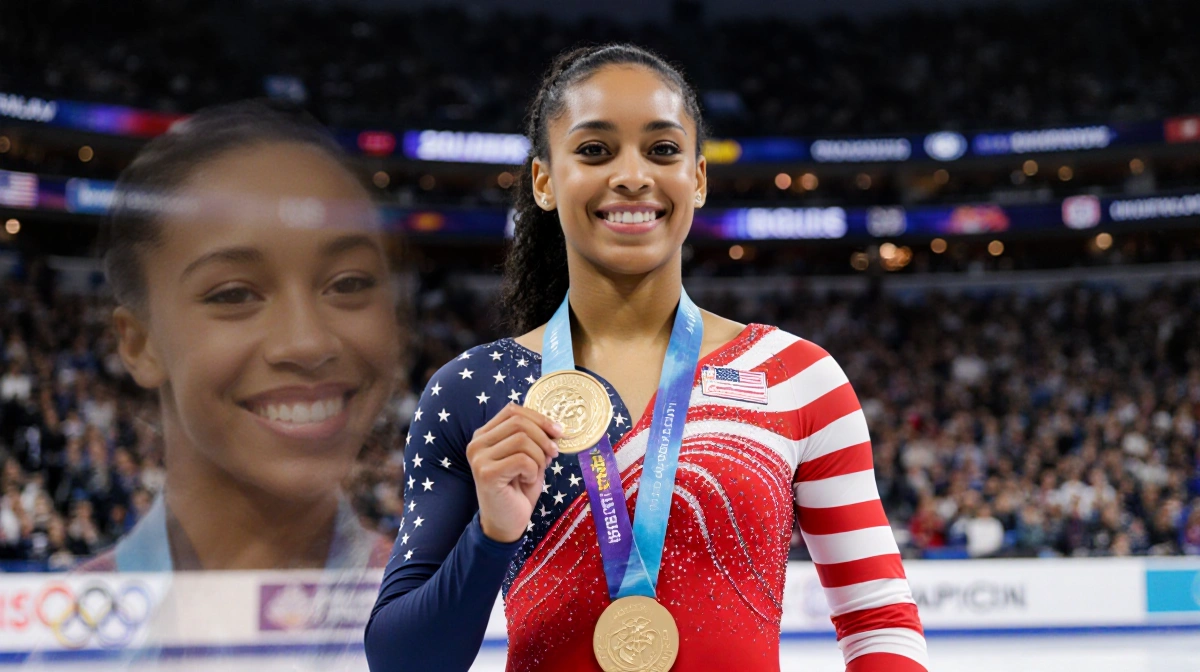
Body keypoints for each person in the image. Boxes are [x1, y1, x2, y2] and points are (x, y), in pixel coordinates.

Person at [366, 45, 927, 672]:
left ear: (698, 178)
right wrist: (490, 534)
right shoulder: (474, 392)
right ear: (544, 182)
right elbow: (401, 661)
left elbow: (878, 619)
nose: (632, 175)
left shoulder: (797, 378)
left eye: (662, 150)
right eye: (594, 150)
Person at [81, 100, 400, 572]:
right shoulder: (50, 634)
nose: (308, 343)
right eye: (233, 295)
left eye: (348, 284)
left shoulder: (465, 621)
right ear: (139, 343)